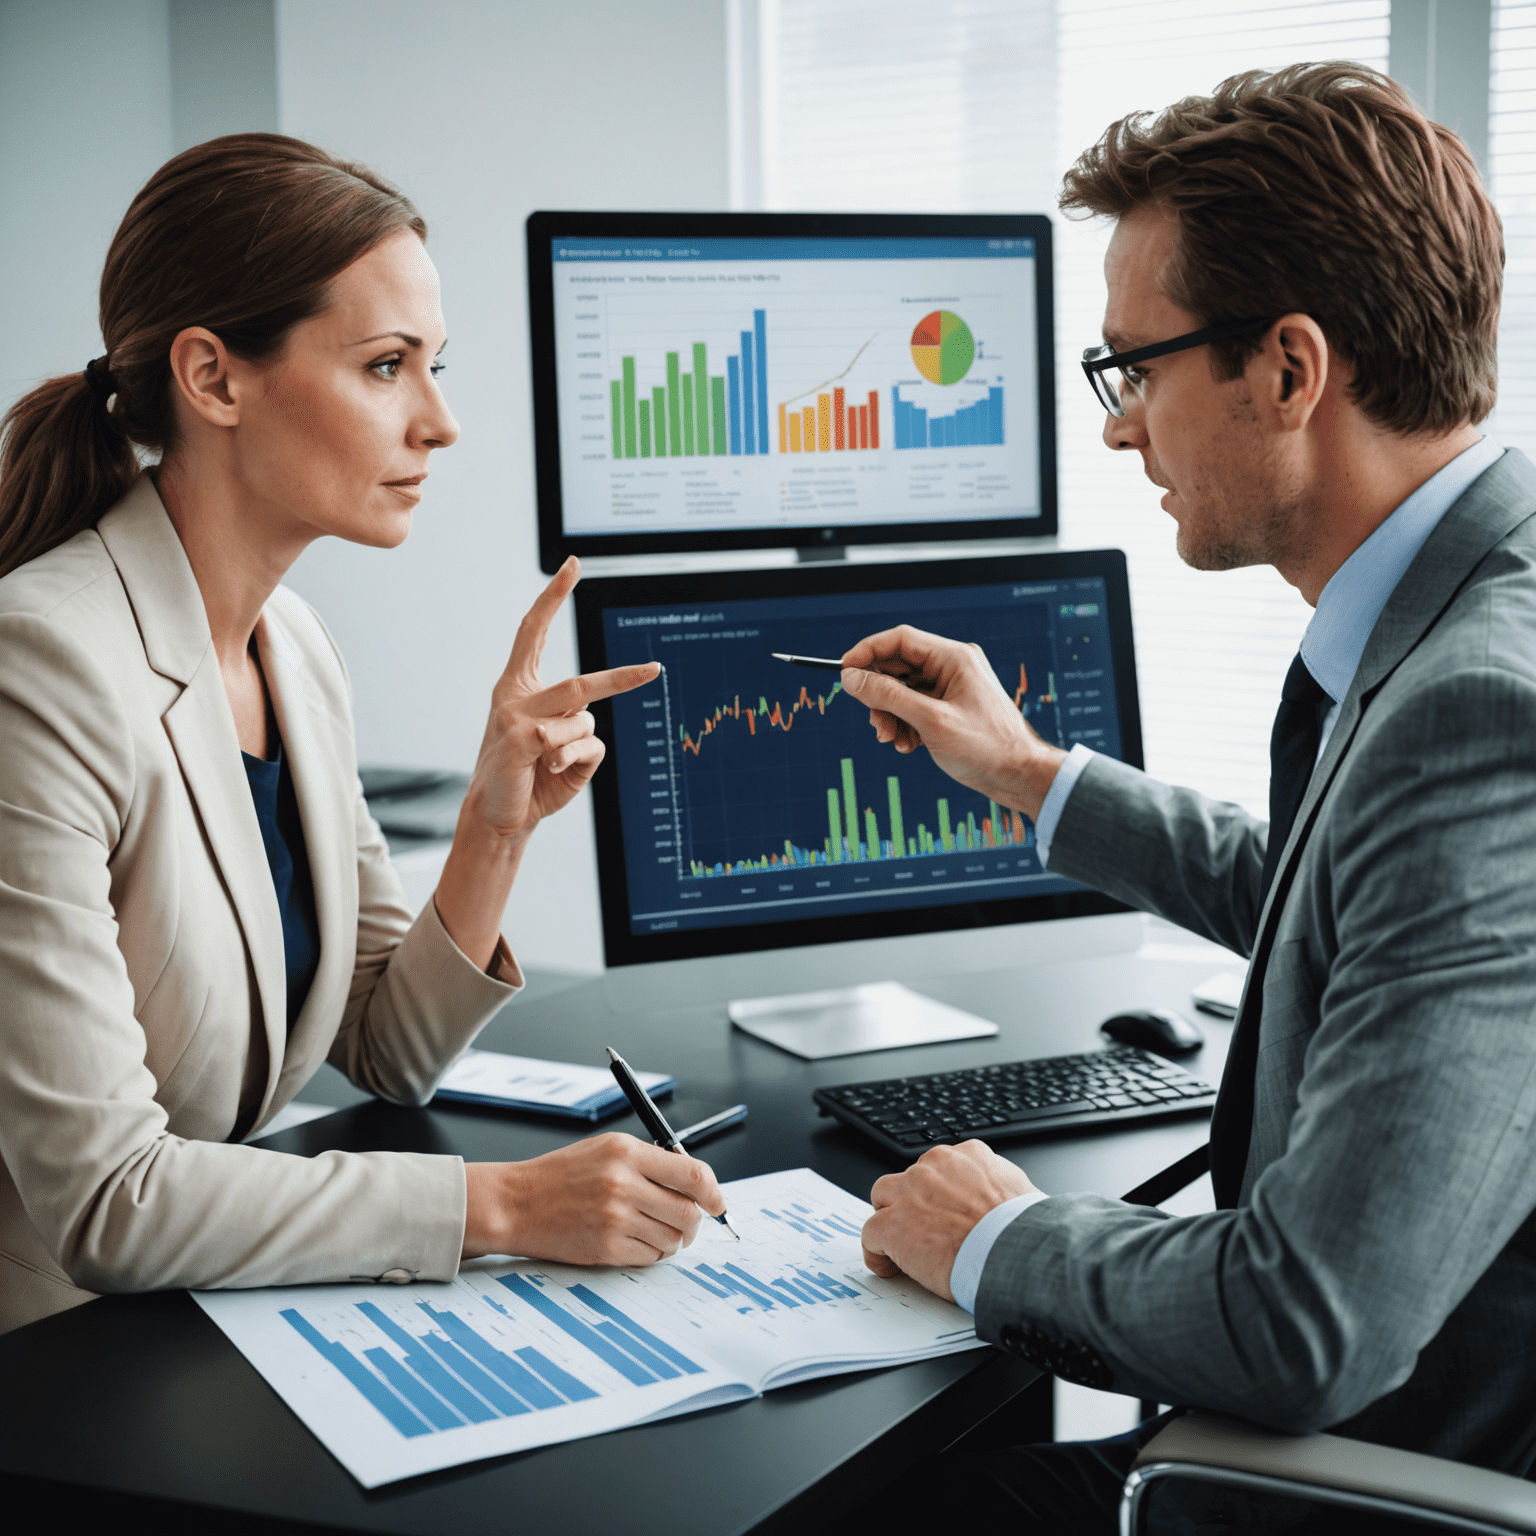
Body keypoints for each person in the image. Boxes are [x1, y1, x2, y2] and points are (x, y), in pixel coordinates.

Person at [844, 63, 1536, 1532]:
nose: (1116, 429)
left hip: (1371, 1496)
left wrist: (1000, 1238)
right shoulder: (1471, 603)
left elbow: (1307, 1324)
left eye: (1135, 370)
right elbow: (1333, 895)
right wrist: (1032, 777)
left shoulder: (1484, 712)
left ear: (1290, 369)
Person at [0, 134, 726, 1337]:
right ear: (214, 379)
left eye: (437, 365)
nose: (440, 422)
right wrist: (500, 1205)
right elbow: (109, 1201)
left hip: (209, 1316)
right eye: (389, 366)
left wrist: (494, 831)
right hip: (62, 1362)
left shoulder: (294, 646)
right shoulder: (40, 670)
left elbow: (388, 1051)